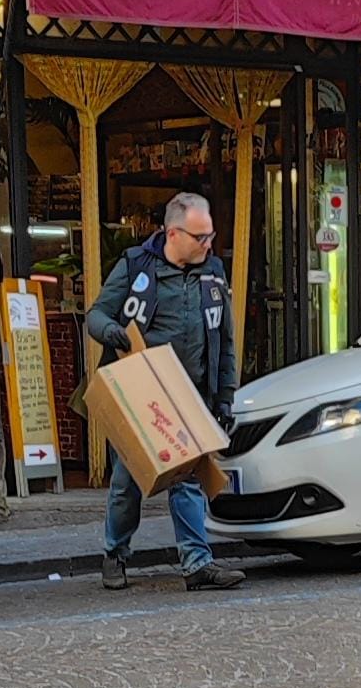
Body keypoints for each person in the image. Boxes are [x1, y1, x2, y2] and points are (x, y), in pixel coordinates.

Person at [86, 192, 245, 591]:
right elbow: (96, 315)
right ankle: (115, 554)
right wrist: (111, 331)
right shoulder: (136, 264)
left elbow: (225, 340)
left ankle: (197, 563)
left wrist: (226, 397)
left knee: (188, 479)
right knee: (127, 482)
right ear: (173, 234)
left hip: (190, 395)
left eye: (210, 236)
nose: (208, 244)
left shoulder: (213, 273)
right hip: (142, 396)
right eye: (200, 237)